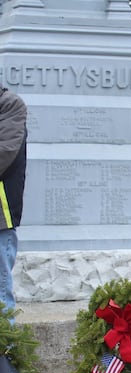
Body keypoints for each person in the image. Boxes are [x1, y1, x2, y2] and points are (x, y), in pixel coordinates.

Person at [0, 88, 27, 318]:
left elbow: (5, 152)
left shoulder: (10, 105)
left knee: (0, 293)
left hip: (0, 216)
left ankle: (3, 352)